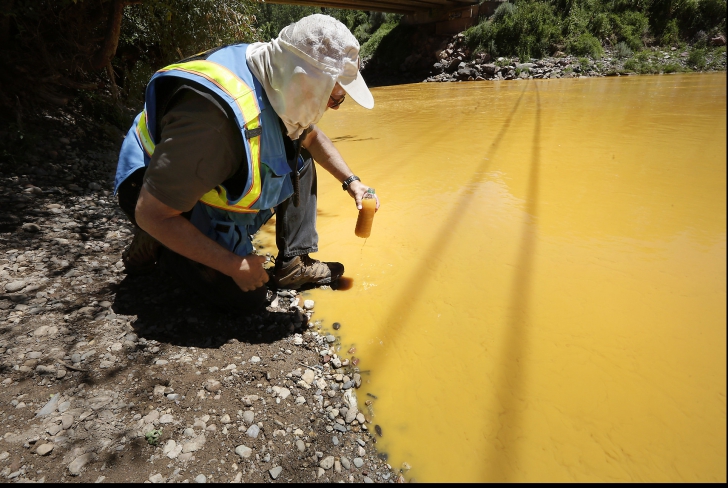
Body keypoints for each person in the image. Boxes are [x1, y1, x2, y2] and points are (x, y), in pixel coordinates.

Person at [113, 14, 379, 312]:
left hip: (199, 172)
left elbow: (310, 139)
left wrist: (352, 182)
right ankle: (159, 245)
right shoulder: (212, 126)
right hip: (155, 192)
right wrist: (233, 264)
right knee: (247, 299)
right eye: (335, 99)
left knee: (299, 157)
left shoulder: (278, 75)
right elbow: (151, 212)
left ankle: (293, 263)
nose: (334, 107)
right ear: (308, 85)